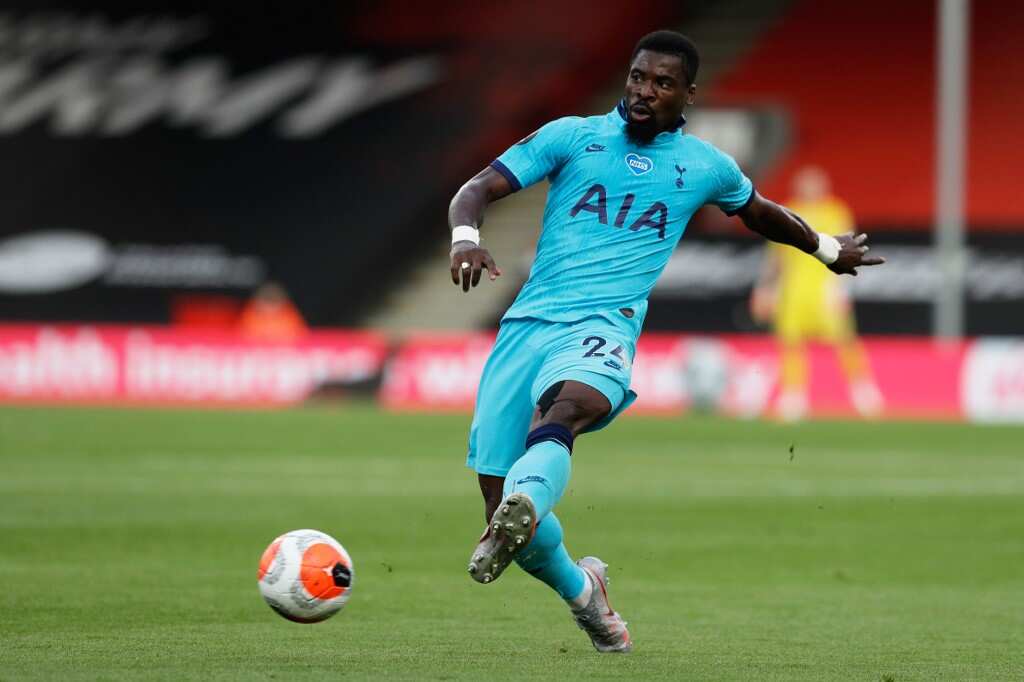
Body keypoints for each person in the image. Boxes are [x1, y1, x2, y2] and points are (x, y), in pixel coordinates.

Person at [447, 30, 883, 653]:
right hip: (527, 325)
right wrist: (466, 235)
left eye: (661, 83)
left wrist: (828, 249)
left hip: (605, 326)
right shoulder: (571, 136)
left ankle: (528, 493)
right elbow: (477, 189)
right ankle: (582, 591)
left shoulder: (705, 166)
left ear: (688, 95)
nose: (644, 91)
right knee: (505, 515)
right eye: (636, 77)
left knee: (567, 409)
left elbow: (760, 212)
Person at [749, 166, 884, 421]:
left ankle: (863, 393)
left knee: (845, 342)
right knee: (790, 344)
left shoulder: (835, 211)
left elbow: (850, 251)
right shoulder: (787, 210)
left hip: (824, 290)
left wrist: (841, 290)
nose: (810, 188)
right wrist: (765, 289)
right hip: (792, 292)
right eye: (805, 183)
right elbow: (775, 257)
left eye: (815, 183)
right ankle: (793, 397)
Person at [237, 281, 308, 342]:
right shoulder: (250, 315)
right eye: (266, 300)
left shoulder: (289, 315)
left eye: (273, 300)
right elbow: (243, 338)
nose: (269, 307)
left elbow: (300, 338)